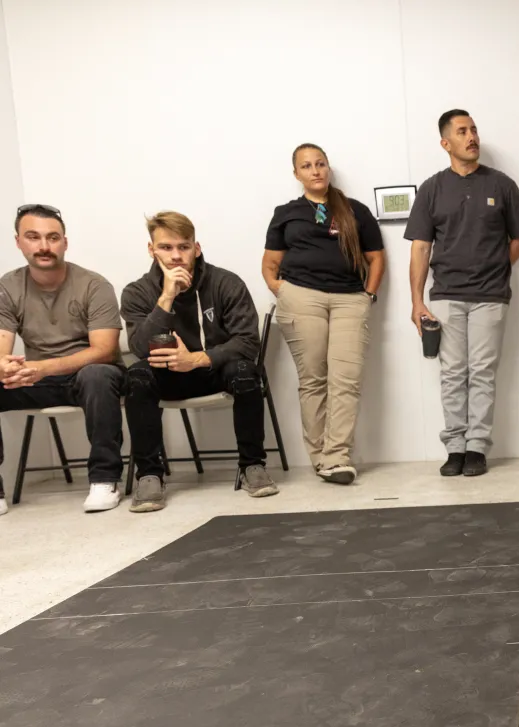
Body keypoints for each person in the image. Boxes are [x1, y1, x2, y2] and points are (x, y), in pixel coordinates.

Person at [120, 211, 279, 512]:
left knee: (246, 371)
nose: (176, 256)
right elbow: (140, 347)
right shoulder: (137, 291)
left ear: (197, 248)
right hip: (166, 375)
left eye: (183, 247)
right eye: (166, 248)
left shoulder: (225, 282)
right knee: (136, 376)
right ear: (151, 250)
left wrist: (197, 359)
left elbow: (248, 342)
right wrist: (166, 298)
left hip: (213, 369)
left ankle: (252, 466)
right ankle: (150, 475)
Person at [405, 110, 519, 477]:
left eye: (474, 129)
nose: (472, 136)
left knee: (482, 372)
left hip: (491, 295)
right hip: (445, 294)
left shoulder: (502, 185)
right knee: (452, 372)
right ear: (446, 143)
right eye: (462, 132)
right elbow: (420, 248)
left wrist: (496, 265)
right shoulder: (432, 188)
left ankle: (477, 447)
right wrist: (417, 301)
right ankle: (455, 447)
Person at [262, 143, 385, 485]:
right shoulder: (286, 213)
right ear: (296, 174)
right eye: (306, 166)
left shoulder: (355, 211)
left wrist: (368, 295)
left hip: (349, 299)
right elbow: (270, 264)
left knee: (345, 379)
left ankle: (337, 456)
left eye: (320, 164)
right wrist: (285, 292)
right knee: (313, 379)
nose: (315, 171)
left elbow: (376, 257)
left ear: (328, 168)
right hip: (301, 299)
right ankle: (320, 458)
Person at [0, 204, 125, 514]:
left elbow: (105, 350)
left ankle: (104, 479)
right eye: (33, 237)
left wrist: (42, 368)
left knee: (99, 374)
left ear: (65, 242)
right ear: (18, 241)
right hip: (35, 379)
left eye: (53, 237)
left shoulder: (93, 285)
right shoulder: (7, 287)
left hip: (84, 376)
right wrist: (4, 365)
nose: (44, 246)